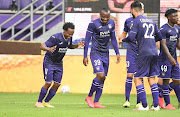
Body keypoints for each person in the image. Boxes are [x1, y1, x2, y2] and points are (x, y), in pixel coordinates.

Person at [122, 1, 162, 111]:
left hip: (143, 53)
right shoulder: (151, 21)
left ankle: (144, 106)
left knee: (138, 78)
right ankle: (156, 105)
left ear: (132, 10)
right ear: (141, 9)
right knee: (152, 79)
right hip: (154, 52)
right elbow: (159, 37)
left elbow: (130, 37)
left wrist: (123, 39)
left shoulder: (135, 21)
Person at [35, 22, 84, 108]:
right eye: (69, 33)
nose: (70, 35)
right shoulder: (55, 37)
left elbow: (70, 46)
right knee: (48, 82)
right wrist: (48, 49)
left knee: (57, 84)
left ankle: (46, 102)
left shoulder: (69, 38)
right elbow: (42, 46)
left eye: (72, 34)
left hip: (58, 63)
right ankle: (38, 102)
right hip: (49, 62)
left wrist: (77, 45)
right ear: (64, 31)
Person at [83, 8, 120, 108]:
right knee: (100, 75)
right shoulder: (93, 24)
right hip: (95, 52)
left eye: (107, 18)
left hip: (105, 54)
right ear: (100, 15)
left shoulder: (112, 23)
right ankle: (89, 96)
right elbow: (87, 40)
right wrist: (85, 55)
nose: (105, 19)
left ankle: (96, 102)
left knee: (103, 78)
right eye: (103, 17)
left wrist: (117, 52)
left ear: (109, 16)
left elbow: (113, 38)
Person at [119, 2, 144, 108]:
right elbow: (124, 34)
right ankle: (127, 100)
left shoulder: (144, 21)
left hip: (142, 52)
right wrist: (119, 39)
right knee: (130, 75)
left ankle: (139, 102)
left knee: (140, 77)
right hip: (131, 52)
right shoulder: (128, 21)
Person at [157, 9, 180, 110]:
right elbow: (163, 44)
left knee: (177, 81)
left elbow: (178, 45)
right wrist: (170, 57)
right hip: (164, 59)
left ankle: (161, 94)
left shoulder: (177, 29)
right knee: (165, 81)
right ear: (169, 17)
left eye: (177, 16)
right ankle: (168, 104)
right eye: (175, 16)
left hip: (174, 59)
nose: (177, 18)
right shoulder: (163, 29)